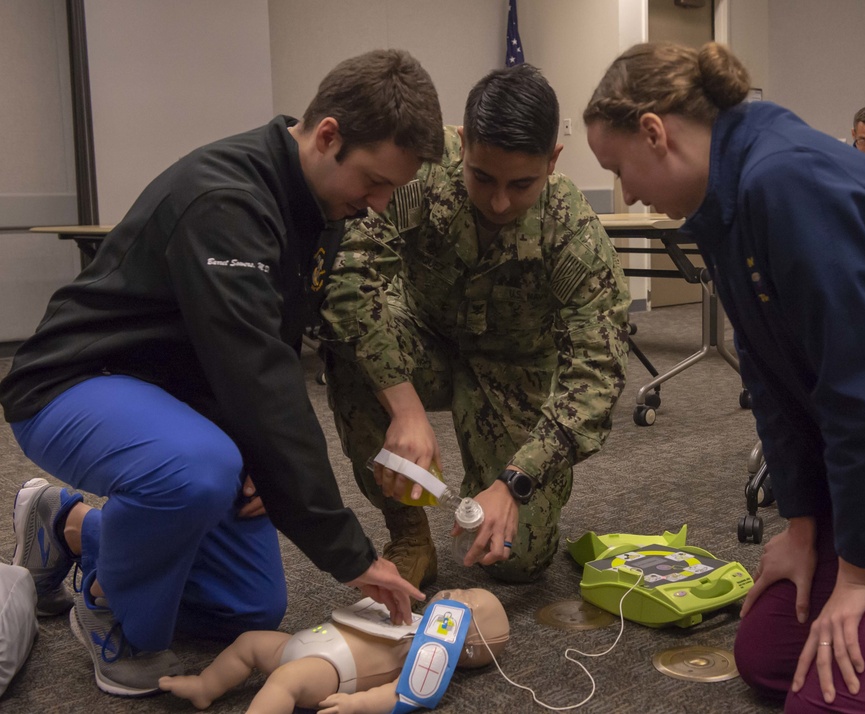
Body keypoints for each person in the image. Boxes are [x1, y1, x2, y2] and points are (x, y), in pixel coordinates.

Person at [1, 48, 443, 697]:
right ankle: (105, 603)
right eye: (375, 183)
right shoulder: (227, 201)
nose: (377, 203)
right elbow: (261, 380)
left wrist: (259, 461)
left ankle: (67, 525)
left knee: (247, 610)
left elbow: (251, 356)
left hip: (180, 405)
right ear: (328, 136)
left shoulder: (318, 206)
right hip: (73, 383)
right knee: (197, 471)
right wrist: (350, 552)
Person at [584, 41, 865, 712]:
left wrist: (859, 576)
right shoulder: (727, 201)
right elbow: (773, 384)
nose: (626, 192)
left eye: (618, 168)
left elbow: (859, 394)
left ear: (654, 133)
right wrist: (804, 526)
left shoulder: (784, 179)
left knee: (823, 700)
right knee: (770, 653)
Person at [319, 63, 630, 589]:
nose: (500, 201)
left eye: (522, 183)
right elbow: (347, 275)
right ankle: (410, 533)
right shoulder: (417, 173)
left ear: (553, 160)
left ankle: (488, 483)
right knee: (350, 348)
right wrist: (405, 408)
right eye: (483, 177)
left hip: (516, 370)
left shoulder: (571, 231)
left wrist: (517, 478)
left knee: (515, 559)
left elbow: (596, 374)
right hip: (420, 338)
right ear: (462, 143)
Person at [159, 587, 509, 714]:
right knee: (249, 642)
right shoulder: (411, 619)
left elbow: (399, 694)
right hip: (304, 642)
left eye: (469, 602)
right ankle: (206, 687)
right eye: (464, 587)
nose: (457, 592)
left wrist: (357, 704)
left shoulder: (429, 656)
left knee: (284, 681)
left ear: (470, 645)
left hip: (332, 671)